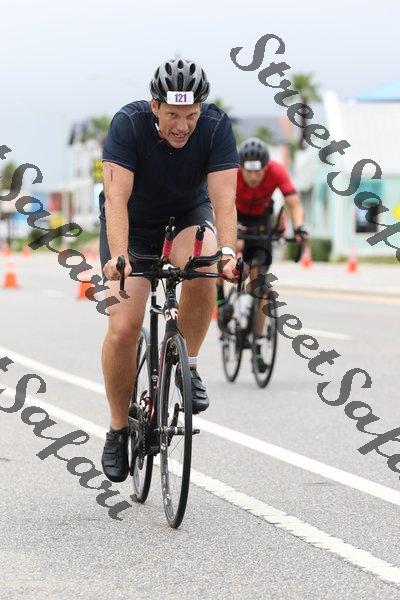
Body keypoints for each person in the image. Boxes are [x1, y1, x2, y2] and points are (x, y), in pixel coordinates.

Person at [99, 59, 239, 482]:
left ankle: (188, 364)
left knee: (205, 263)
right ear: (155, 106)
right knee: (124, 327)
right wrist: (119, 256)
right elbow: (116, 198)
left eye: (191, 115)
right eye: (173, 115)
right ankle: (117, 428)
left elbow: (224, 199)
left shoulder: (215, 127)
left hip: (185, 218)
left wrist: (228, 252)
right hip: (132, 226)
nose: (183, 126)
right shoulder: (128, 124)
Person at [216, 137, 307, 371]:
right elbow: (217, 201)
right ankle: (221, 300)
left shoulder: (277, 171)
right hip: (235, 217)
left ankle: (257, 343)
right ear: (241, 167)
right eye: (249, 171)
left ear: (266, 167)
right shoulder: (232, 172)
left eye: (258, 171)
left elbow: (294, 203)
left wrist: (299, 228)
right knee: (226, 256)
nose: (254, 176)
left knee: (261, 284)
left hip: (262, 222)